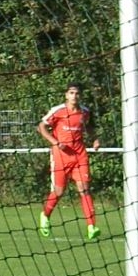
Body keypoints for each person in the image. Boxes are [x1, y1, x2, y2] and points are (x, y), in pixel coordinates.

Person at [37, 82, 102, 240]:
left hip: (79, 155)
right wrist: (55, 142)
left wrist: (94, 139)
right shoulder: (58, 111)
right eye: (71, 93)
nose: (74, 96)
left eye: (77, 93)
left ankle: (91, 226)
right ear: (66, 95)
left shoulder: (85, 112)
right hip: (61, 156)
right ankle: (45, 215)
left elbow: (89, 127)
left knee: (84, 189)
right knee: (59, 191)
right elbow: (41, 127)